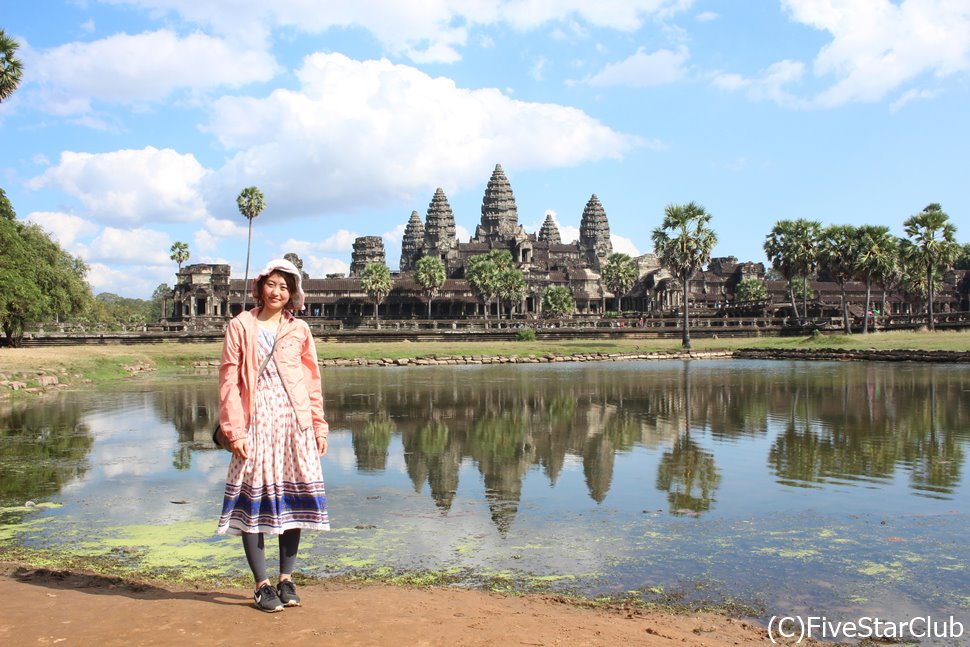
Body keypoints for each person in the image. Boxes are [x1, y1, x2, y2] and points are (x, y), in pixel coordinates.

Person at [216, 258, 330, 612]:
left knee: (292, 502)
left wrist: (318, 425)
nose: (277, 292)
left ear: (293, 293)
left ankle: (286, 579)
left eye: (285, 287)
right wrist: (235, 431)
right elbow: (229, 382)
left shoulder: (300, 330)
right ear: (260, 287)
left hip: (294, 423)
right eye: (272, 284)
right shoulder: (240, 326)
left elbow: (312, 380)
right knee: (255, 504)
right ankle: (262, 585)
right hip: (255, 422)